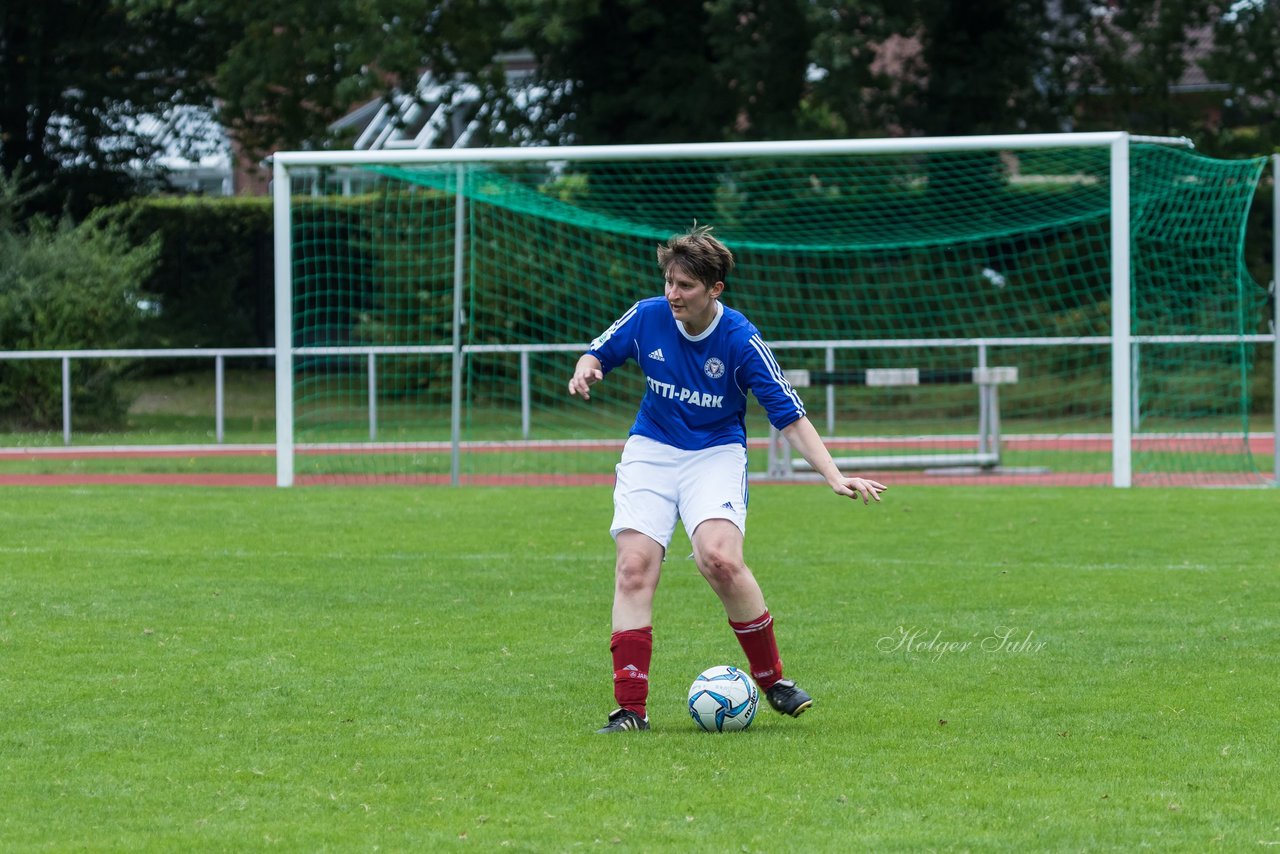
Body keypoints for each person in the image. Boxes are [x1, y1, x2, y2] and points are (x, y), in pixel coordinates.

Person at [568, 224, 886, 734]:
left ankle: (774, 680)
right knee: (633, 567)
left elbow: (789, 416)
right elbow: (598, 350)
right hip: (651, 450)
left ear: (714, 289)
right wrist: (587, 367)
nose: (673, 294)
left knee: (720, 559)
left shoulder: (740, 339)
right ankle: (630, 710)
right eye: (669, 282)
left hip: (714, 454)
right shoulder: (649, 315)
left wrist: (834, 475)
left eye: (685, 286)